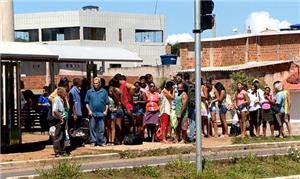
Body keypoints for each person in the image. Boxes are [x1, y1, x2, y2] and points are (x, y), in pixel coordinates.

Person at [85, 77, 109, 147]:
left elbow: (107, 103)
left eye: (96, 83)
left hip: (101, 113)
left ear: (100, 84)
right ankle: (93, 141)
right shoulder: (89, 92)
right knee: (92, 128)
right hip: (92, 113)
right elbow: (86, 103)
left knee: (101, 128)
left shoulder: (104, 92)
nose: (95, 85)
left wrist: (105, 111)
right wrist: (89, 110)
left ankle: (101, 141)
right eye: (94, 83)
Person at [52, 87, 69, 157]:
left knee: (62, 136)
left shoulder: (62, 100)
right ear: (61, 93)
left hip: (62, 119)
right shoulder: (57, 99)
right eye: (65, 92)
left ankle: (62, 150)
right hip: (59, 120)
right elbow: (55, 111)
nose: (66, 93)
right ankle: (57, 152)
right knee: (58, 136)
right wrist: (60, 118)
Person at [108, 78, 124, 145]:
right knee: (118, 125)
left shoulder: (113, 90)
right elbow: (121, 101)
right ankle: (119, 140)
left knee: (113, 126)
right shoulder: (119, 90)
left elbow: (116, 100)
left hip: (115, 107)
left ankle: (114, 140)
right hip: (119, 107)